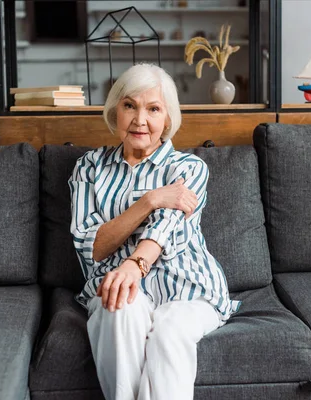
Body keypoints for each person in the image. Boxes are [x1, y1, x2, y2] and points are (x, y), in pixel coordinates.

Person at [69, 63, 240, 400]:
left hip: (188, 287)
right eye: (129, 105)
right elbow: (92, 247)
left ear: (167, 118)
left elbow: (164, 229)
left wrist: (134, 264)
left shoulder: (187, 168)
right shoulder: (89, 168)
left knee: (169, 332)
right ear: (115, 110)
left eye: (153, 108)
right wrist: (149, 200)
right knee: (119, 308)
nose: (140, 120)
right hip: (115, 285)